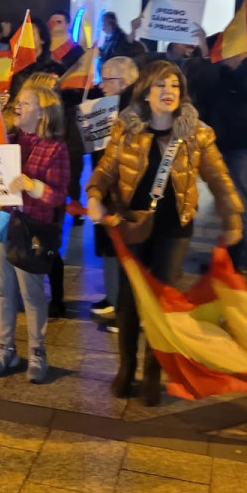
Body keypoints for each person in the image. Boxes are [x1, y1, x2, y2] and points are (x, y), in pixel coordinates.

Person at [86, 60, 242, 406]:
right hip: (132, 224)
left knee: (161, 303)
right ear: (145, 91)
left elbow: (219, 177)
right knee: (128, 300)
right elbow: (107, 168)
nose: (168, 91)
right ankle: (127, 367)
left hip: (175, 227)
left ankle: (153, 372)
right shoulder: (126, 126)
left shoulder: (196, 132)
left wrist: (232, 216)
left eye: (174, 85)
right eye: (160, 84)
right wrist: (95, 195)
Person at [0, 86, 68, 384]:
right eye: (18, 102)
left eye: (25, 103)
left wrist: (32, 186)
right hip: (0, 223)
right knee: (3, 290)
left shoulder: (55, 147)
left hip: (30, 229)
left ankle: (37, 351)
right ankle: (5, 348)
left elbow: (58, 195)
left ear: (43, 113)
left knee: (31, 294)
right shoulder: (8, 140)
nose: (18, 106)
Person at [80, 56, 139, 321]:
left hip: (122, 192)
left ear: (124, 82)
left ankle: (122, 308)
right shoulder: (107, 106)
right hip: (105, 187)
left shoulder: (133, 112)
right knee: (108, 245)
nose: (100, 85)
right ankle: (113, 296)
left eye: (106, 79)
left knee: (119, 247)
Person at [210, 51, 247, 276]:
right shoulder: (221, 72)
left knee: (239, 204)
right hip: (221, 145)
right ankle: (228, 255)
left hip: (244, 147)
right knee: (226, 204)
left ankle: (241, 260)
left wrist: (237, 68)